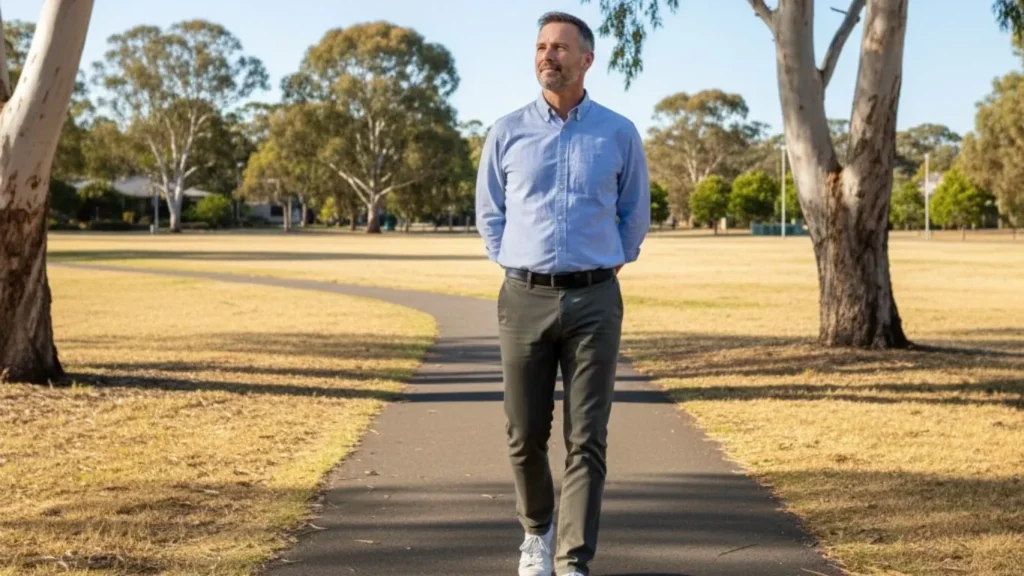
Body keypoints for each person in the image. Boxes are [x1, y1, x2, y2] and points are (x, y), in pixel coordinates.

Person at [474, 11, 650, 576]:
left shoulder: (618, 133)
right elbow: (490, 214)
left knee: (587, 437)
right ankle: (536, 533)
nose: (548, 56)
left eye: (560, 48)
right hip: (523, 298)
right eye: (542, 47)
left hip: (595, 300)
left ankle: (573, 557)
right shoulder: (506, 132)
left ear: (586, 60)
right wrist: (516, 261)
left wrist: (606, 264)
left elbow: (633, 215)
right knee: (524, 433)